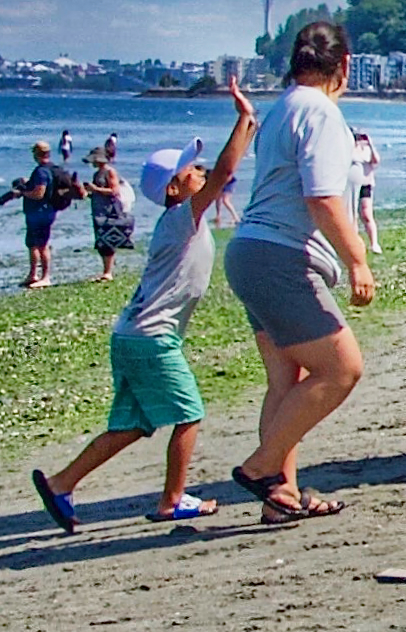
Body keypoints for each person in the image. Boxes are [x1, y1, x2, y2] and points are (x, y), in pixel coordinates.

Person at [32, 79, 257, 532]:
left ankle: (59, 484)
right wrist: (241, 119)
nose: (200, 172)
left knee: (134, 425)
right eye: (191, 171)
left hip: (131, 335)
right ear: (176, 189)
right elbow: (223, 173)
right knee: (189, 412)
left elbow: (221, 171)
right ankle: (173, 500)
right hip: (151, 339)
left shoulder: (178, 218)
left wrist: (249, 124)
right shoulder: (182, 217)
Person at [225, 22, 374, 522]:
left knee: (285, 382)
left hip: (248, 251)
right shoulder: (322, 113)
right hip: (279, 258)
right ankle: (263, 468)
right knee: (341, 367)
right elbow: (322, 198)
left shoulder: (282, 107)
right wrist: (357, 259)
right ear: (344, 66)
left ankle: (280, 497)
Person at [83, 145, 135, 283]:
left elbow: (114, 191)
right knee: (101, 239)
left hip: (109, 209)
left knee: (108, 239)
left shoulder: (110, 172)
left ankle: (108, 272)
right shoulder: (97, 174)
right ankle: (105, 270)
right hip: (99, 209)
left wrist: (95, 189)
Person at [19, 142, 59, 289]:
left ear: (36, 154)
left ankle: (45, 277)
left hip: (41, 212)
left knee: (41, 245)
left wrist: (22, 193)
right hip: (43, 211)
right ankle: (33, 275)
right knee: (33, 244)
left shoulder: (41, 171)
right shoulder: (51, 168)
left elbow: (39, 193)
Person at [350, 129, 383, 253]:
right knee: (352, 215)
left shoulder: (367, 150)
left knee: (366, 214)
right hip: (351, 185)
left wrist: (370, 144)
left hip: (366, 183)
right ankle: (355, 243)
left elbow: (376, 161)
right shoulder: (349, 150)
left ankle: (374, 243)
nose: (360, 140)